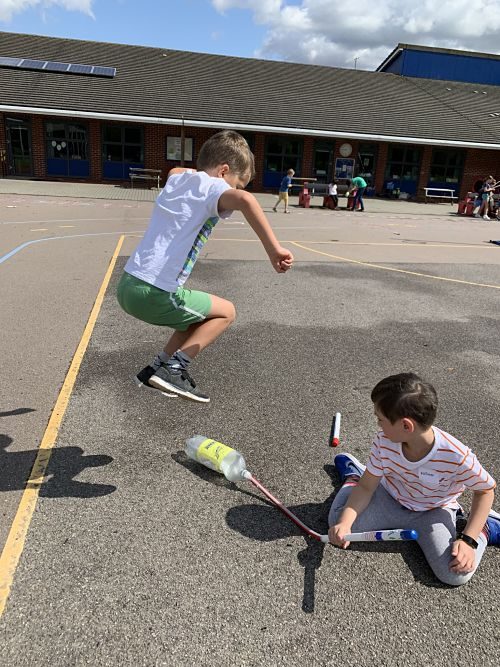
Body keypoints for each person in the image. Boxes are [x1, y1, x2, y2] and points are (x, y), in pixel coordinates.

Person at [116, 130, 294, 403]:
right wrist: (274, 250)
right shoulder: (214, 188)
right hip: (154, 292)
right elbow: (246, 201)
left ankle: (156, 367)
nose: (236, 192)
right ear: (223, 172)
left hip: (127, 285)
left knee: (195, 319)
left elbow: (176, 170)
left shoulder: (178, 179)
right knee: (227, 312)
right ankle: (174, 369)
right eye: (237, 184)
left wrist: (200, 171)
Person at [328, 372, 499, 586]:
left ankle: (486, 527)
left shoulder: (456, 456)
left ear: (406, 426)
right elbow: (366, 487)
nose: (378, 425)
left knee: (455, 573)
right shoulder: (384, 441)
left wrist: (469, 540)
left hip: (433, 511)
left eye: (380, 419)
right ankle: (355, 475)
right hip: (390, 497)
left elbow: (485, 490)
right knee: (338, 524)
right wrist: (345, 523)